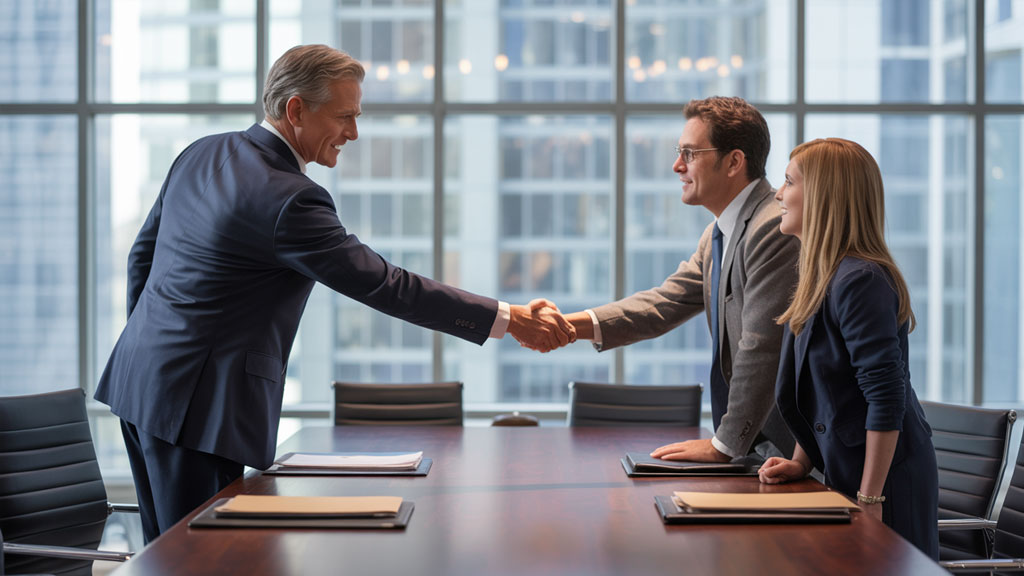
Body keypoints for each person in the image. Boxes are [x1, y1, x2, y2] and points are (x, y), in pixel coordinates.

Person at [94, 44, 574, 543]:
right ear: (296, 109)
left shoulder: (202, 152)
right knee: (202, 558)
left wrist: (156, 348)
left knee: (163, 550)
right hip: (200, 405)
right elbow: (386, 285)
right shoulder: (289, 197)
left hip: (140, 382)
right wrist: (509, 317)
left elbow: (141, 258)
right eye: (344, 116)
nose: (354, 132)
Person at [555, 97, 800, 463]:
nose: (676, 165)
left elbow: (762, 346)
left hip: (789, 454)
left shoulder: (770, 228)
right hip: (760, 452)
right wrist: (567, 326)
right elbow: (662, 304)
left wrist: (723, 445)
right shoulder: (717, 233)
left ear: (734, 161)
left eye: (690, 153)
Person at [757, 138, 938, 559]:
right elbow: (823, 392)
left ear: (824, 196)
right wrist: (803, 460)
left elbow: (885, 396)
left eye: (788, 182)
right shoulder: (824, 277)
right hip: (854, 475)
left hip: (886, 483)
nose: (779, 194)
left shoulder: (860, 280)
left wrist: (871, 499)